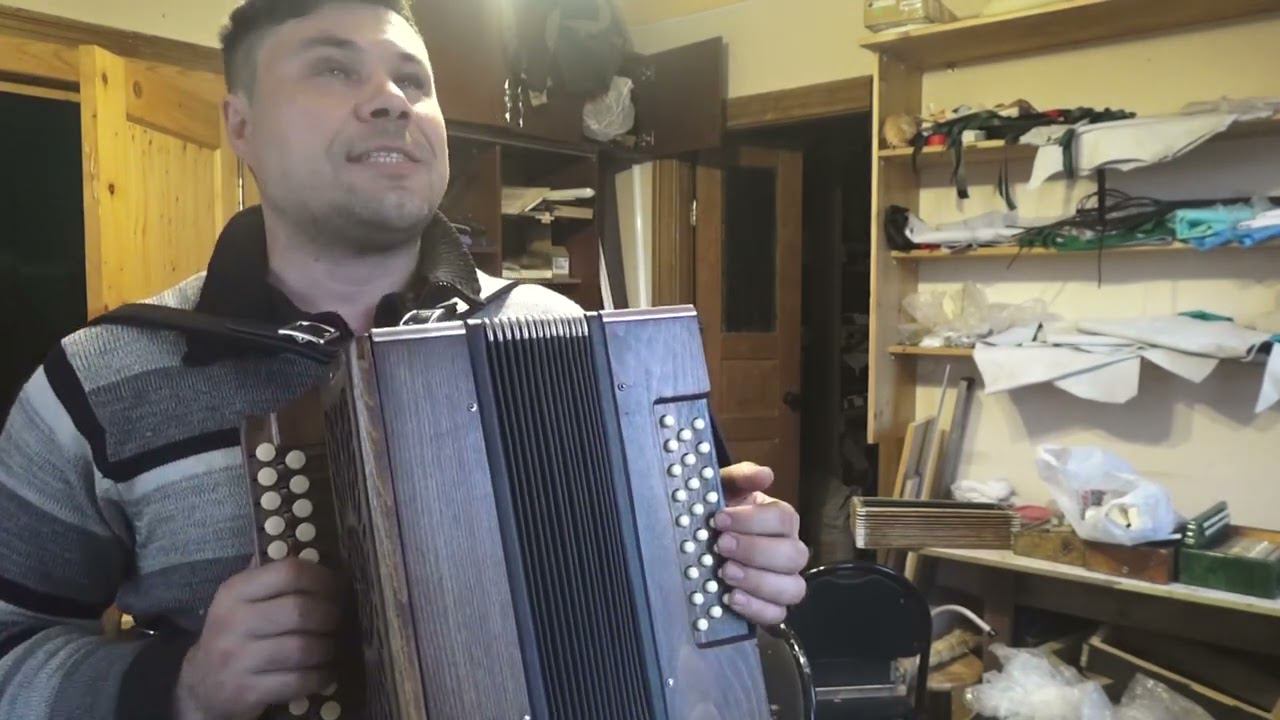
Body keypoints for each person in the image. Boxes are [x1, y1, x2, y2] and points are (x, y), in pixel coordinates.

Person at [0, 1, 810, 718]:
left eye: (413, 80)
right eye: (332, 70)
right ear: (240, 126)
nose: (391, 99)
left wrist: (749, 567)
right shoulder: (99, 378)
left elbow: (701, 585)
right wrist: (184, 687)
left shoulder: (562, 334)